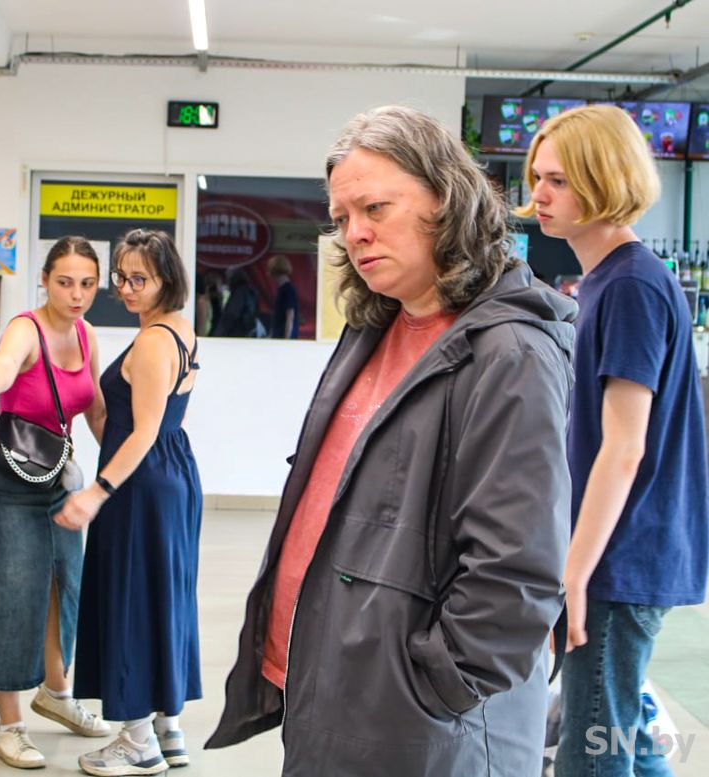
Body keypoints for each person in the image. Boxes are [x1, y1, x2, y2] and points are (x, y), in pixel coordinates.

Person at [207, 105, 575, 776]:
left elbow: (516, 571)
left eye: (375, 207)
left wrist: (432, 686)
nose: (355, 233)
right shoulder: (374, 326)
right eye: (342, 217)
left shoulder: (511, 353)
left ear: (447, 200)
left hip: (419, 723)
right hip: (330, 692)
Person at [517, 104, 709, 777]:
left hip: (620, 560)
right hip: (618, 555)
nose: (539, 194)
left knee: (592, 753)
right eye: (537, 177)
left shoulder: (629, 285)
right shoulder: (606, 281)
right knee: (618, 738)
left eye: (559, 180)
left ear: (604, 181)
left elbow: (624, 446)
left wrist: (575, 573)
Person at [0, 236, 111, 770]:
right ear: (44, 280)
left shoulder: (86, 333)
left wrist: (124, 468)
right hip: (9, 484)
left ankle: (56, 695)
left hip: (59, 479)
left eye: (87, 284)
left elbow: (95, 408)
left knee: (65, 590)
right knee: (12, 597)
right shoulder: (26, 328)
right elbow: (6, 364)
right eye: (65, 282)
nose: (76, 294)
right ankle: (10, 727)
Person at [55, 228, 202, 776]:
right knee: (160, 597)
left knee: (129, 601)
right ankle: (167, 726)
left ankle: (137, 741)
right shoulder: (179, 329)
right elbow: (132, 426)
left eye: (140, 278)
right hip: (169, 472)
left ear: (167, 279)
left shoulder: (155, 341)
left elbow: (142, 433)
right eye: (121, 277)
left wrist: (97, 492)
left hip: (140, 483)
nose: (127, 287)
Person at [214, 266, 260, 337]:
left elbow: (232, 315)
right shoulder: (251, 292)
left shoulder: (239, 293)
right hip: (247, 331)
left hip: (236, 332)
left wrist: (219, 333)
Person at [267, 254, 299, 338]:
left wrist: (286, 339)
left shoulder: (288, 290)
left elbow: (290, 316)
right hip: (278, 336)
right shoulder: (281, 289)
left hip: (283, 337)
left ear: (275, 272)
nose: (268, 274)